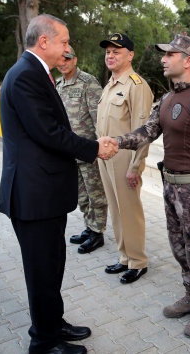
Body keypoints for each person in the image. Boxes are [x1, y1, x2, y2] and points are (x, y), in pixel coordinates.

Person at [0, 14, 118, 354]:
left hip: (43, 193)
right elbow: (48, 133)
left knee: (52, 265)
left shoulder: (34, 72)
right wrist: (94, 148)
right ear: (44, 41)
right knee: (42, 271)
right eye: (64, 41)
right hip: (34, 195)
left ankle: (54, 323)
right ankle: (44, 341)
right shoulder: (26, 75)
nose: (68, 48)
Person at [115, 34, 190, 337]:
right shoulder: (166, 99)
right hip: (171, 186)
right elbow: (147, 131)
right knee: (179, 248)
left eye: (170, 55)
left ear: (188, 61)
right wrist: (116, 141)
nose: (163, 60)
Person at [96, 33, 154, 285]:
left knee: (129, 211)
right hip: (105, 157)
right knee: (116, 209)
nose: (110, 56)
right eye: (108, 52)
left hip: (124, 158)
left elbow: (143, 131)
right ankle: (124, 257)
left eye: (116, 52)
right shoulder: (110, 84)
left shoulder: (136, 85)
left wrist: (135, 166)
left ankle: (138, 261)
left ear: (130, 56)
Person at [56, 46, 108, 254]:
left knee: (96, 194)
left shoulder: (88, 82)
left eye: (67, 59)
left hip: (88, 150)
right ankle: (89, 226)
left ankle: (98, 232)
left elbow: (99, 119)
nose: (63, 63)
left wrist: (100, 147)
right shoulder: (58, 85)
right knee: (81, 195)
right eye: (61, 59)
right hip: (70, 151)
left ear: (75, 60)